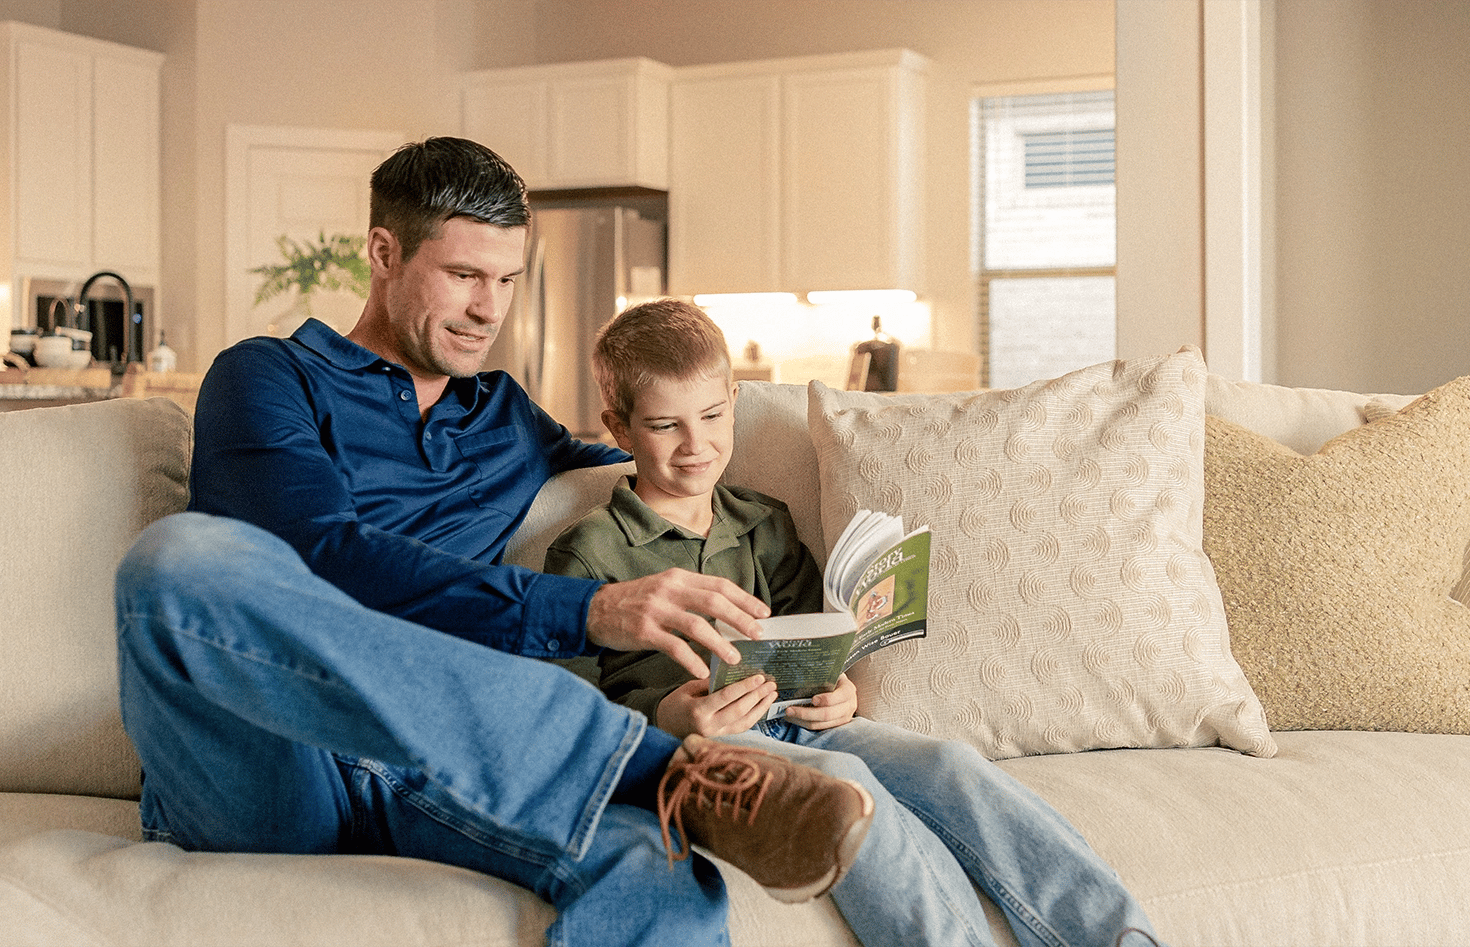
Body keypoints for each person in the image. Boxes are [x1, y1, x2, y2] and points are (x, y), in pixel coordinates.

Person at [112, 137, 876, 947]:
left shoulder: (503, 414)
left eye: (508, 279)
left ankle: (662, 790)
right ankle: (651, 770)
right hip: (276, 756)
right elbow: (321, 555)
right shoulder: (268, 377)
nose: (491, 308)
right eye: (465, 275)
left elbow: (652, 452)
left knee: (656, 861)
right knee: (176, 562)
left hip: (443, 767)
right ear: (383, 252)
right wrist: (591, 609)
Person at [544, 298, 1166, 947]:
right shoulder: (591, 549)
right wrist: (671, 715)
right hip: (700, 749)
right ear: (619, 427)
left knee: (952, 763)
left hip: (802, 720)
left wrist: (836, 686)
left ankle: (1118, 935)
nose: (696, 443)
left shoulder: (763, 520)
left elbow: (812, 634)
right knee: (845, 785)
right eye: (667, 425)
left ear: (733, 400)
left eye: (711, 415)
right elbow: (567, 710)